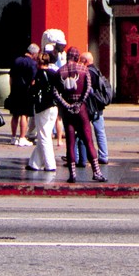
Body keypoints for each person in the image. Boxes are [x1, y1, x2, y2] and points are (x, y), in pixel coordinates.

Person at [54, 47, 103, 181]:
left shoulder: (60, 71)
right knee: (88, 140)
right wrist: (80, 102)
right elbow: (88, 89)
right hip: (81, 109)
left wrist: (66, 105)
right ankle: (96, 172)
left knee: (70, 142)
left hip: (68, 110)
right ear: (77, 58)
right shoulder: (84, 70)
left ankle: (72, 174)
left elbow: (56, 92)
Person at [28, 32, 64, 172]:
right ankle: (35, 163)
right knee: (46, 133)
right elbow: (59, 87)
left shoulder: (37, 75)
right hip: (53, 106)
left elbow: (32, 90)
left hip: (42, 106)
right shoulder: (54, 73)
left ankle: (50, 164)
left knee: (44, 136)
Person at [10, 43, 40, 145]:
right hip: (26, 90)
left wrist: (11, 89)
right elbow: (33, 80)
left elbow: (11, 77)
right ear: (34, 53)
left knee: (15, 115)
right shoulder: (32, 64)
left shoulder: (17, 60)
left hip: (15, 89)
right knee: (24, 114)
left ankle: (13, 137)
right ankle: (22, 137)